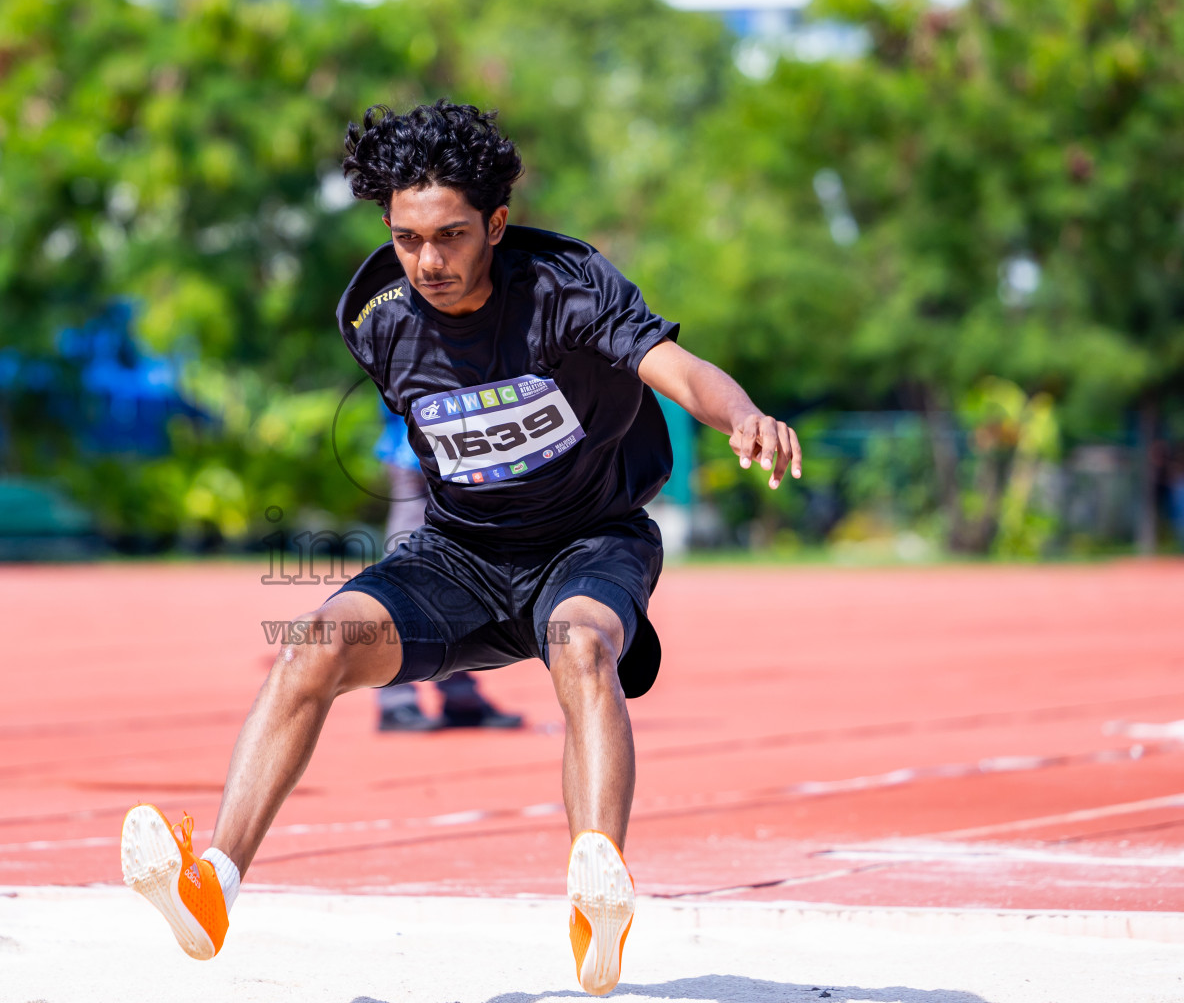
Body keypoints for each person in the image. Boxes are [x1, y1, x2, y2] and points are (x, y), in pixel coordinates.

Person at [119, 101, 802, 995]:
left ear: (497, 225)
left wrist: (742, 414)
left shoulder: (569, 288)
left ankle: (597, 894)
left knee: (581, 643)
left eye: (449, 236)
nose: (428, 261)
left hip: (590, 539)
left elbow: (680, 371)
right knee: (310, 647)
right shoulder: (379, 322)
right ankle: (213, 888)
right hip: (461, 557)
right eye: (406, 239)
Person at [374, 407, 524, 731]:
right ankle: (395, 701)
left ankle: (459, 694)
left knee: (456, 582)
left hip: (456, 456)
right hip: (417, 456)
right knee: (406, 579)